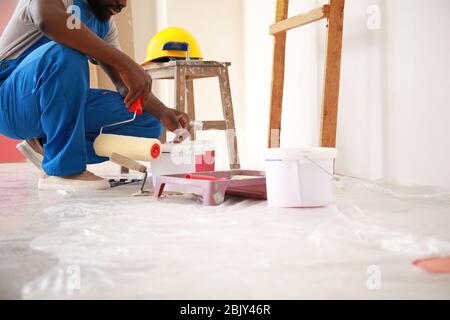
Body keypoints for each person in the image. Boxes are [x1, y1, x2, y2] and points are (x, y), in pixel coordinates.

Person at [0, 0, 189, 190]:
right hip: (10, 102)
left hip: (53, 105)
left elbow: (125, 84)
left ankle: (46, 144)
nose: (122, 4)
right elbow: (48, 20)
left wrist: (163, 112)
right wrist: (126, 63)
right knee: (67, 53)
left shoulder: (105, 26)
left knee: (149, 122)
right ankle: (65, 170)